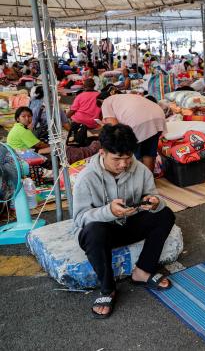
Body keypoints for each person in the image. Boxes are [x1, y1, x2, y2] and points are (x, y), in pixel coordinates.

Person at [73, 124, 175, 319]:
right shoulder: (86, 178)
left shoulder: (141, 170)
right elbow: (79, 219)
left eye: (127, 158)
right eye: (117, 159)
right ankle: (107, 289)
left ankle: (142, 272)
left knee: (165, 214)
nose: (123, 164)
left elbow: (152, 195)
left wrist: (154, 203)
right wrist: (108, 211)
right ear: (102, 152)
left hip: (130, 224)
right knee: (94, 231)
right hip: (104, 234)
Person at [99, 93, 167, 171]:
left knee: (131, 155)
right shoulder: (124, 96)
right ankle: (149, 179)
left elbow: (114, 128)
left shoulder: (105, 102)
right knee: (149, 152)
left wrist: (104, 127)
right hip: (158, 115)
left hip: (138, 122)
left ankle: (135, 179)